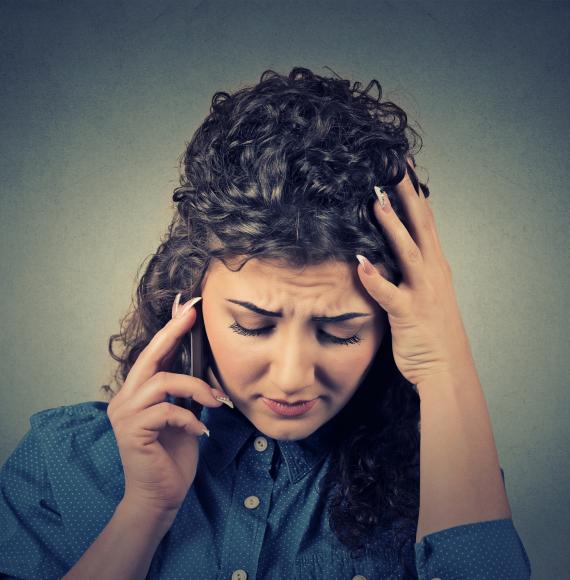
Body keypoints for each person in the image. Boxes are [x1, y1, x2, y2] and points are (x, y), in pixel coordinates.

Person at [0, 67, 531, 579]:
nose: (292, 377)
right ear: (191, 295)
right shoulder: (62, 463)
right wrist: (143, 513)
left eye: (341, 332)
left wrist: (444, 360)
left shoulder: (445, 473)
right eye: (253, 325)